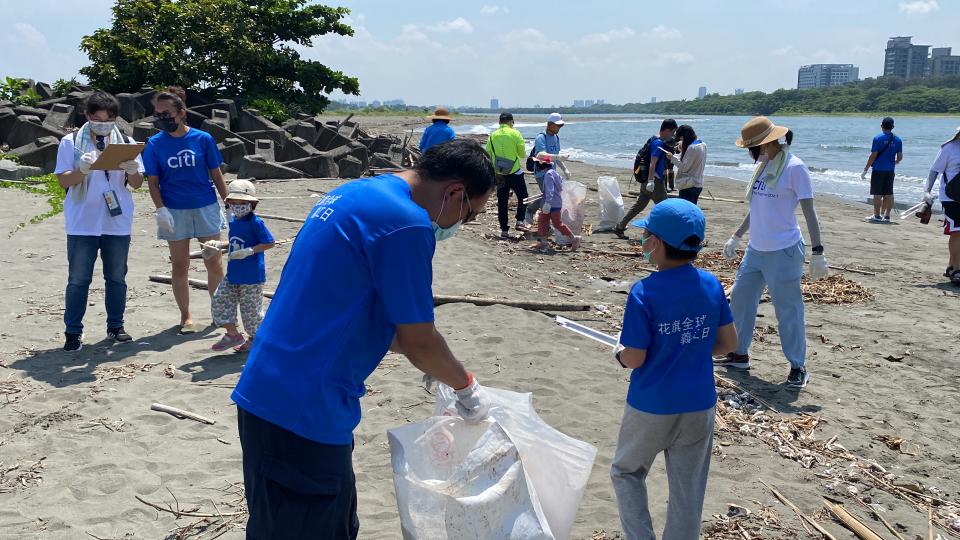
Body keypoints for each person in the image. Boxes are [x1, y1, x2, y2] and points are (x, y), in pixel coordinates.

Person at [230, 139, 495, 539]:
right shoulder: (406, 223)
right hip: (305, 409)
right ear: (455, 191)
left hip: (268, 392)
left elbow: (363, 313)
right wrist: (466, 387)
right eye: (469, 215)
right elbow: (418, 341)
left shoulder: (354, 192)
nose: (460, 225)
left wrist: (436, 367)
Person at [611, 198, 737, 540]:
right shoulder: (710, 284)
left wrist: (619, 354)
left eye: (647, 236)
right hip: (699, 403)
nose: (644, 243)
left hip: (651, 403)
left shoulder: (644, 292)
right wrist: (691, 349)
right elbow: (728, 343)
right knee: (688, 490)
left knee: (626, 471)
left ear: (658, 243)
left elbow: (634, 356)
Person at [716, 117, 829, 389]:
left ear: (765, 142)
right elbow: (757, 209)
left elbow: (809, 211)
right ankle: (739, 354)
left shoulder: (794, 167)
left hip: (784, 251)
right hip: (756, 250)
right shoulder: (762, 165)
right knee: (741, 301)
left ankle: (797, 366)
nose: (749, 151)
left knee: (788, 310)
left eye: (751, 146)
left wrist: (817, 251)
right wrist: (737, 235)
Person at [53, 91, 145, 351]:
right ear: (87, 116)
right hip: (82, 221)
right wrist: (81, 170)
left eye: (108, 119)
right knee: (79, 279)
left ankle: (116, 327)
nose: (102, 124)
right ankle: (73, 332)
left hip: (117, 221)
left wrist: (133, 170)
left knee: (116, 277)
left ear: (115, 118)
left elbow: (137, 184)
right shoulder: (70, 142)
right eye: (97, 119)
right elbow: (63, 181)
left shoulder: (127, 142)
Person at [142, 86, 228, 334]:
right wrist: (161, 210)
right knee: (180, 266)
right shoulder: (155, 144)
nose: (162, 118)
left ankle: (219, 312)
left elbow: (216, 174)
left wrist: (229, 202)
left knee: (214, 263)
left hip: (205, 206)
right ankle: (186, 316)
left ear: (181, 112)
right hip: (174, 211)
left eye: (166, 113)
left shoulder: (203, 139)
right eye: (157, 114)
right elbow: (153, 182)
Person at [204, 180, 275, 353]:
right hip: (233, 272)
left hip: (251, 276)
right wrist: (219, 245)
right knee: (220, 300)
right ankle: (232, 334)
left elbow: (269, 242)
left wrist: (250, 251)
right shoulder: (234, 221)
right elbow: (236, 243)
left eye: (242, 203)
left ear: (252, 204)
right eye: (233, 203)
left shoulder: (256, 223)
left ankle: (255, 340)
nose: (238, 206)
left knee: (251, 311)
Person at [614, 119, 678, 238]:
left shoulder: (654, 138)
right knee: (666, 208)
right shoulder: (658, 143)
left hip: (648, 182)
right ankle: (664, 233)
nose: (673, 135)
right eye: (672, 132)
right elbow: (652, 163)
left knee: (639, 206)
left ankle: (620, 226)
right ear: (667, 130)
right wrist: (651, 181)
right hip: (654, 182)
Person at [921, 127, 960, 284]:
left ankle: (951, 265)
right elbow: (933, 171)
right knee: (957, 231)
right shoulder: (949, 148)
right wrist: (926, 192)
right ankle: (957, 269)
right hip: (951, 196)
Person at [486, 112, 529, 238]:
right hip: (515, 171)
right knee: (523, 197)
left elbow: (488, 154)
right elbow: (522, 154)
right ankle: (520, 220)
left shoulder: (492, 135)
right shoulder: (516, 133)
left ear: (499, 122)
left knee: (502, 202)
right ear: (511, 121)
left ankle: (504, 230)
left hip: (499, 173)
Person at [530, 152, 581, 252]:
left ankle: (574, 239)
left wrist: (547, 203)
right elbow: (559, 186)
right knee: (542, 221)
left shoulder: (548, 175)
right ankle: (544, 242)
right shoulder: (553, 172)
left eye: (537, 163)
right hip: (555, 202)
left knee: (557, 223)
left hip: (551, 204)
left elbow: (550, 190)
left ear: (540, 164)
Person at [525, 112, 567, 225]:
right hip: (541, 172)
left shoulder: (556, 138)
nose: (559, 128)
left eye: (560, 126)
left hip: (551, 173)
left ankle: (540, 218)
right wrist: (557, 156)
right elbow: (540, 155)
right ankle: (532, 212)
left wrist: (565, 169)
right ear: (549, 124)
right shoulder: (541, 137)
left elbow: (556, 156)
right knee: (550, 196)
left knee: (549, 196)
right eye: (557, 125)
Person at [861, 116, 903, 222]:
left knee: (877, 193)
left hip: (878, 169)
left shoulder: (877, 138)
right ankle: (887, 215)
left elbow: (873, 155)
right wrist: (896, 162)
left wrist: (865, 169)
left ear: (881, 126)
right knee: (889, 193)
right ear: (892, 127)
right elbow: (900, 156)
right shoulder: (898, 140)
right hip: (890, 170)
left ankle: (877, 215)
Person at [661, 125, 707, 205]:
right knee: (692, 209)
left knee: (686, 210)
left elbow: (684, 167)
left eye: (682, 139)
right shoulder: (702, 144)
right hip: (698, 183)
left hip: (689, 185)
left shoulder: (692, 148)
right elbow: (693, 161)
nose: (681, 141)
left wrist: (672, 158)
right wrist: (683, 150)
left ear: (685, 137)